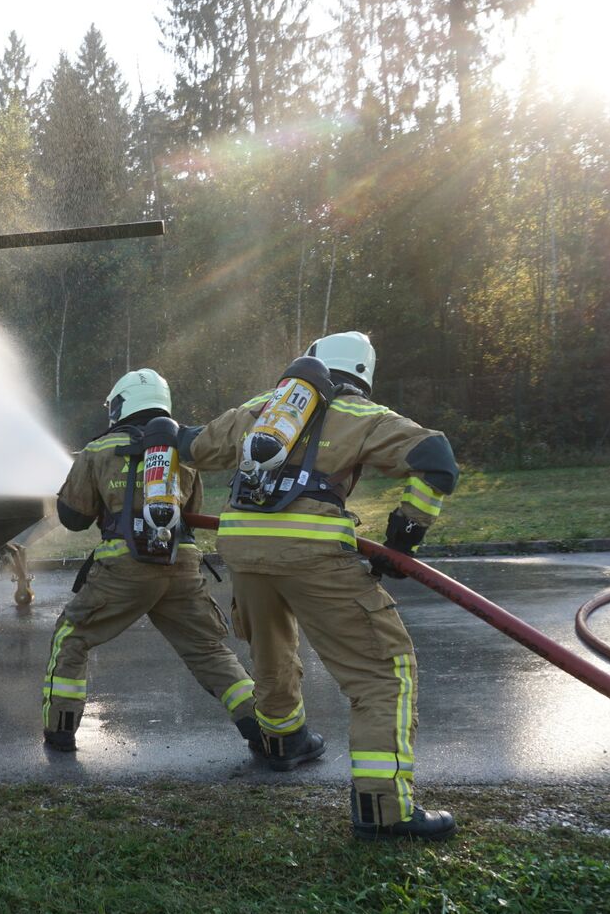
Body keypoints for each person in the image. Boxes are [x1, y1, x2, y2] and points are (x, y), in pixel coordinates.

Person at [178, 332, 461, 841]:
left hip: (241, 546)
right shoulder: (360, 414)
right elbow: (436, 457)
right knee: (382, 672)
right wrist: (408, 528)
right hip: (313, 552)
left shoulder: (261, 409)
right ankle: (383, 809)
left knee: (271, 651)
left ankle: (284, 743)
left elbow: (195, 448)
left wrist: (156, 433)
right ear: (361, 376)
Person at [42, 368, 262, 754]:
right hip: (181, 568)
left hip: (124, 570)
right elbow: (191, 515)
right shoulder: (184, 453)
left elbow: (73, 519)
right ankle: (263, 731)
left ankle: (60, 732)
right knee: (208, 650)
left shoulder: (98, 450)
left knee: (70, 637)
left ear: (121, 404)